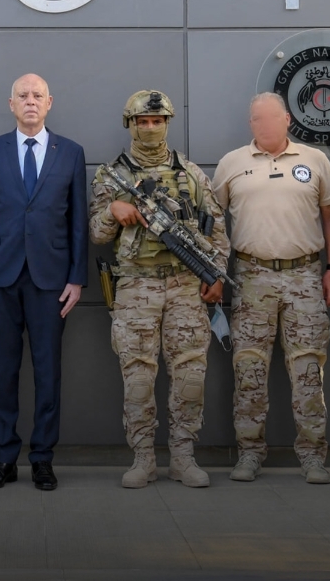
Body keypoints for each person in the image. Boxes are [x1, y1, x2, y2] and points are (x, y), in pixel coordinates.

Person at [90, 90, 228, 488]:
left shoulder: (191, 174)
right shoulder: (111, 176)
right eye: (143, 122)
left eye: (157, 121)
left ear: (167, 123)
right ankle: (143, 458)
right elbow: (97, 234)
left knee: (190, 375)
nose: (150, 128)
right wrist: (112, 210)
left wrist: (217, 275)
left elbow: (216, 231)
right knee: (137, 378)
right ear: (130, 125)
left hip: (186, 286)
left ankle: (183, 458)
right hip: (136, 287)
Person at [0, 73, 88, 491]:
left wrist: (77, 278)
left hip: (51, 280)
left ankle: (42, 459)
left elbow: (78, 220)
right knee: (3, 371)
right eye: (23, 95)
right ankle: (4, 458)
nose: (30, 101)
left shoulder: (70, 152)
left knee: (48, 373)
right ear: (11, 104)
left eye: (37, 95)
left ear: (49, 103)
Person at [211, 92, 330, 485]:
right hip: (251, 277)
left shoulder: (314, 160)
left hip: (305, 276)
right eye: (257, 119)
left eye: (271, 118)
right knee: (249, 368)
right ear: (250, 123)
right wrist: (214, 272)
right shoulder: (231, 164)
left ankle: (313, 456)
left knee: (308, 369)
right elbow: (212, 223)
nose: (264, 125)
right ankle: (250, 453)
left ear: (287, 119)